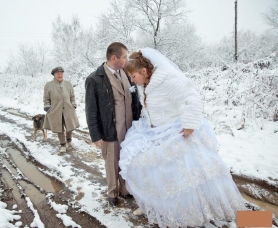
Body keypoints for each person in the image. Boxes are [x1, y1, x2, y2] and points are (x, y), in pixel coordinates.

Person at [118, 48, 246, 227]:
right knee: (156, 173)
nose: (132, 80)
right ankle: (156, 206)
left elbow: (192, 98)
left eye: (133, 76)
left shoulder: (168, 80)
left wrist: (189, 125)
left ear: (143, 71)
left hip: (178, 133)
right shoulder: (145, 84)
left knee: (186, 178)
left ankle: (252, 220)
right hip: (158, 133)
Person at [85, 42, 141, 206]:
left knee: (127, 159)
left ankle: (125, 189)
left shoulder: (126, 74)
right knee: (112, 163)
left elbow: (135, 100)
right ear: (114, 57)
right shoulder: (94, 79)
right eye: (124, 56)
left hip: (130, 129)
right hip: (110, 130)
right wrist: (95, 134)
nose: (126, 59)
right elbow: (91, 110)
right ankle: (112, 193)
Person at [43, 66, 79, 153]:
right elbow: (46, 98)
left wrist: (73, 105)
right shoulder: (48, 85)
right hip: (55, 110)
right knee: (59, 128)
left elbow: (72, 96)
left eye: (61, 73)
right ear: (54, 75)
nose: (60, 75)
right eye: (58, 74)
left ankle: (69, 140)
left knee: (70, 126)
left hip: (68, 109)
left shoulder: (68, 84)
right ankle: (63, 144)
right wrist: (47, 106)